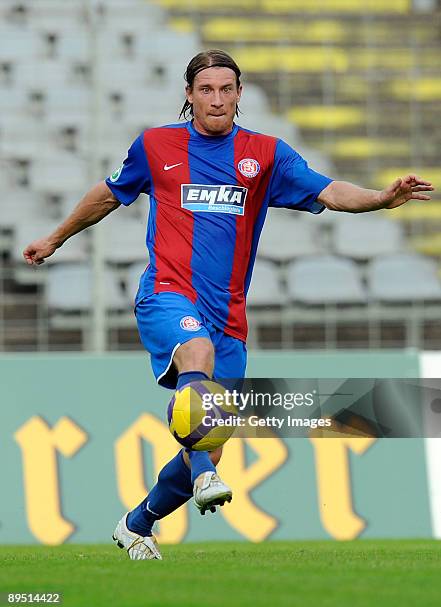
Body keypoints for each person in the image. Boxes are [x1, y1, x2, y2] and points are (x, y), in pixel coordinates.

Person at [23, 49, 433, 561]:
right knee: (196, 354)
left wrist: (380, 197)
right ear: (189, 95)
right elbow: (108, 195)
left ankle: (137, 522)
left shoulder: (265, 154)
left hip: (230, 318)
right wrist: (55, 239)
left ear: (239, 95)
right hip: (167, 295)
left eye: (226, 89)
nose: (216, 99)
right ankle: (206, 477)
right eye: (206, 90)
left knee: (212, 436)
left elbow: (329, 191)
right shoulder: (156, 146)